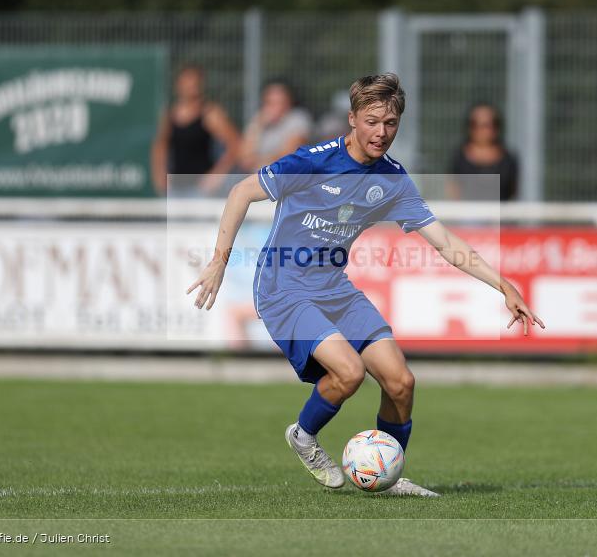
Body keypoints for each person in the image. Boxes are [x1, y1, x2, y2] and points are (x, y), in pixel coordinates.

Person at [188, 73, 543, 496]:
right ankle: (303, 436)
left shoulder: (391, 179)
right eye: (372, 121)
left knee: (401, 382)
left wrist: (504, 286)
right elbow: (241, 192)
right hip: (283, 288)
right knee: (350, 372)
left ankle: (389, 476)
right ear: (353, 120)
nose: (381, 132)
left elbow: (445, 242)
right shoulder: (314, 160)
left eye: (390, 123)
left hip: (334, 287)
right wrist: (219, 263)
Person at [151, 65, 241, 197]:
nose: (191, 86)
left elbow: (235, 144)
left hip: (200, 188)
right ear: (178, 85)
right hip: (175, 187)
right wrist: (159, 175)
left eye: (194, 82)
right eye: (187, 82)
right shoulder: (170, 115)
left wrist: (217, 175)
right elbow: (160, 145)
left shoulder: (209, 113)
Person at [446, 103, 519, 201]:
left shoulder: (508, 160)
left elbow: (512, 194)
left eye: (486, 125)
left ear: (496, 127)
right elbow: (453, 192)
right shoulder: (459, 157)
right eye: (475, 124)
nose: (481, 130)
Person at [238, 79, 312, 171]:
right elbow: (244, 160)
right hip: (258, 177)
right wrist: (256, 126)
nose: (275, 108)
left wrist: (256, 160)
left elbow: (288, 157)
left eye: (279, 102)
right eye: (270, 103)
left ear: (289, 102)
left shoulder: (297, 119)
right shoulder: (259, 122)